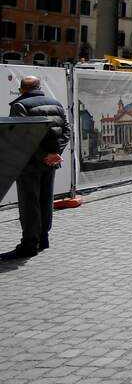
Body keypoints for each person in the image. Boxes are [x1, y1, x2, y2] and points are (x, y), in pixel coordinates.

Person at [3, 76, 71, 260]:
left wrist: (44, 155)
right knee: (45, 201)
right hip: (51, 163)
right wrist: (55, 154)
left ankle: (29, 245)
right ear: (39, 87)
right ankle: (43, 239)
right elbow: (66, 131)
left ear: (21, 89)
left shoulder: (20, 106)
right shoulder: (56, 103)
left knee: (29, 204)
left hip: (29, 163)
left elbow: (22, 137)